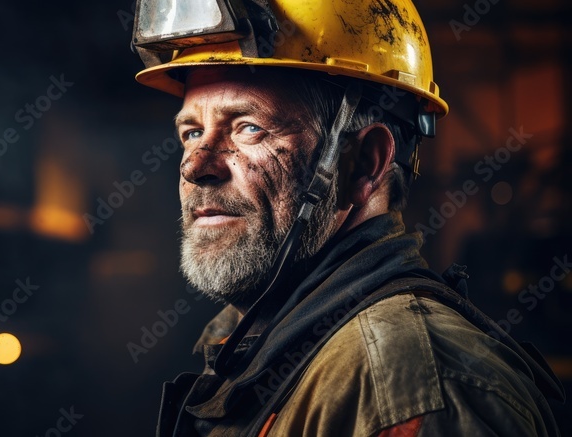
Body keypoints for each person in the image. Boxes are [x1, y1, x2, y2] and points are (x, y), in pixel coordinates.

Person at [130, 0, 565, 435]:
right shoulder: (253, 350)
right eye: (191, 133)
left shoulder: (410, 392)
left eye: (249, 127)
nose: (194, 167)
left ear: (364, 164)